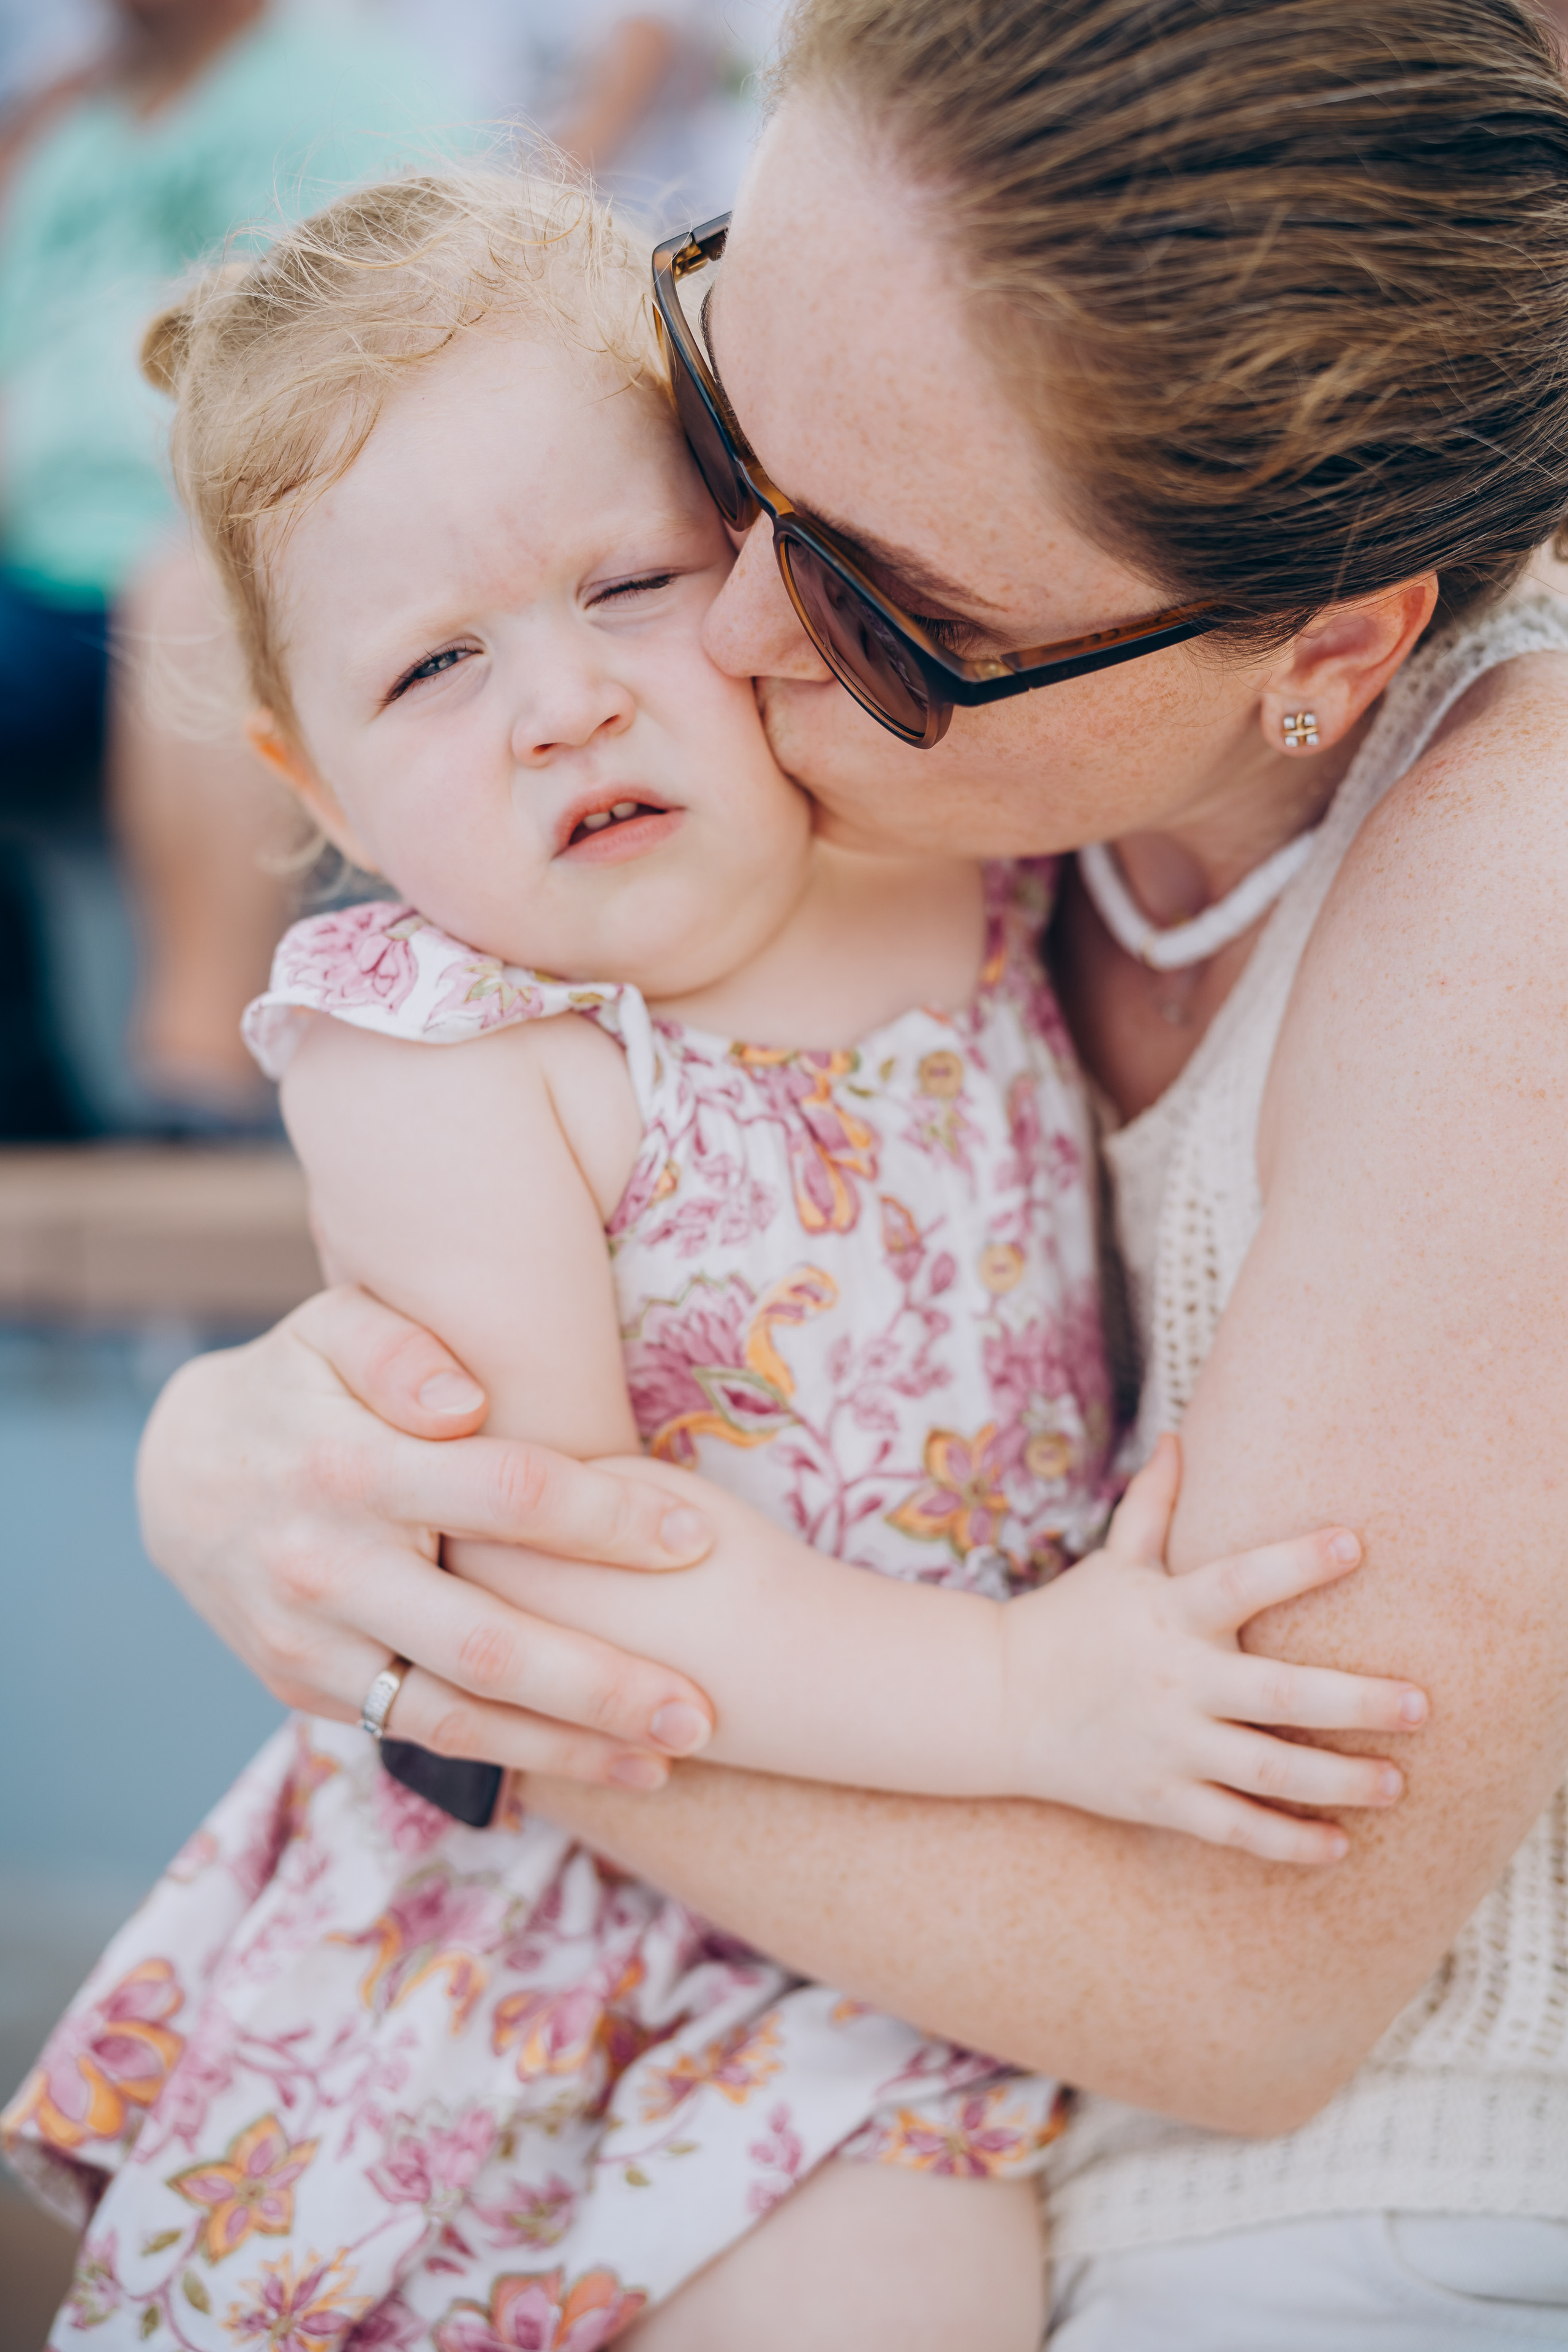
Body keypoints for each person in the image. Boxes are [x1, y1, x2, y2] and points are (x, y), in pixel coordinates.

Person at [100, 0, 1568, 2340]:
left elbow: (1248, 1989)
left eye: (897, 608)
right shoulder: (889, 830)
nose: (733, 637)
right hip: (727, 2040)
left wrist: (454, 1674)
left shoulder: (1508, 876)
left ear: (1332, 645)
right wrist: (223, 1460)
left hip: (1300, 2205)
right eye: (731, 437)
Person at [0, 0, 455, 1121]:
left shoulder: (353, 98)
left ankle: (192, 1081)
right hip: (36, 558)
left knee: (195, 590)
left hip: (212, 541)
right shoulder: (76, 142)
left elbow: (407, 349)